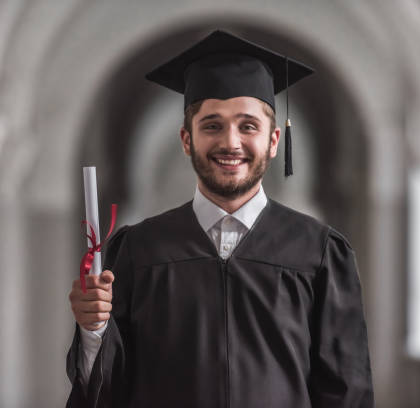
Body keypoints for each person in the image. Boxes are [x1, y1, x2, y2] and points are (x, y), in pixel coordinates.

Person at [66, 30, 374, 408]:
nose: (231, 142)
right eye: (212, 125)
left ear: (273, 140)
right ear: (186, 139)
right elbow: (107, 390)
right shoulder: (138, 251)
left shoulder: (320, 254)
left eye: (248, 126)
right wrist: (93, 330)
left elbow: (347, 395)